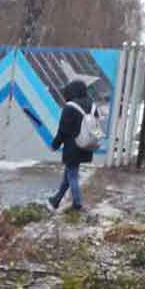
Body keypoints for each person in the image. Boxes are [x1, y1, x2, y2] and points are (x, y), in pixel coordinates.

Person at [48, 79, 95, 212]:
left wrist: (54, 145)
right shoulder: (92, 105)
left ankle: (77, 203)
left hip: (73, 147)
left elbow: (63, 131)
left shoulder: (70, 107)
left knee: (72, 175)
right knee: (69, 173)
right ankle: (56, 200)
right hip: (86, 144)